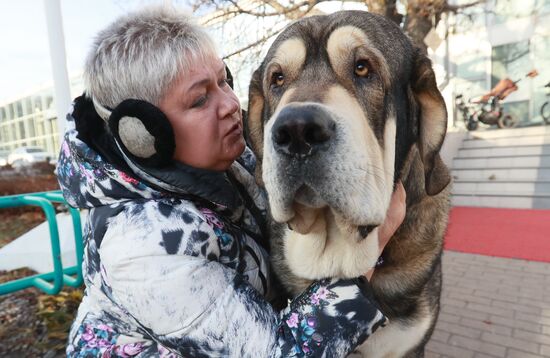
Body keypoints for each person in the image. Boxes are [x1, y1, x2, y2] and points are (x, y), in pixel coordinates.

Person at [57, 5, 406, 357]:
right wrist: (371, 248)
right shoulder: (142, 249)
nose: (228, 104)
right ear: (144, 134)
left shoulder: (231, 160)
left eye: (224, 80)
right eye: (199, 99)